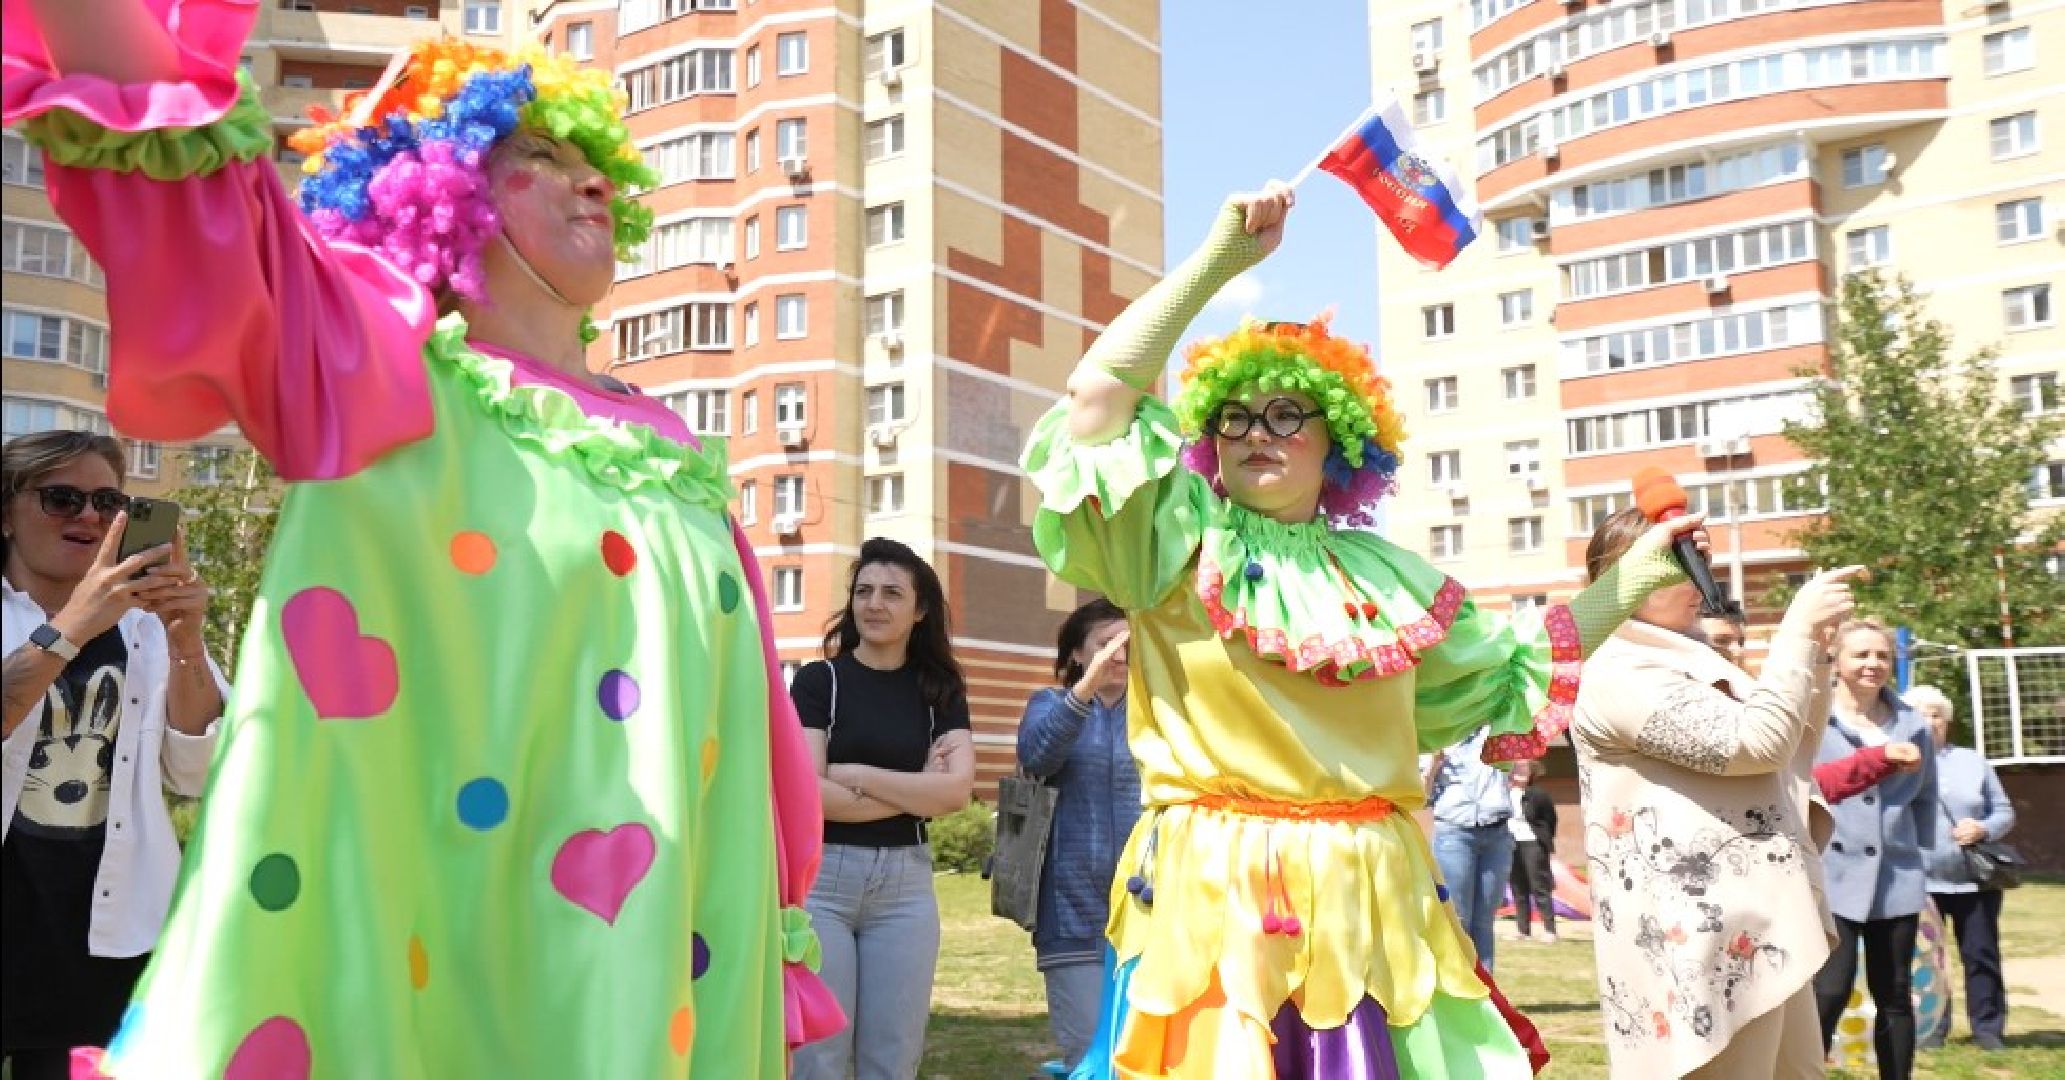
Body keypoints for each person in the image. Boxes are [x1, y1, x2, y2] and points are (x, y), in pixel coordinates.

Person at [2, 11, 839, 1074]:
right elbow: (193, 186)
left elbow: (749, 734)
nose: (589, 184)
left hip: (647, 959)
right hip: (426, 952)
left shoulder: (671, 447)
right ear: (438, 191)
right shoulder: (372, 369)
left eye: (598, 167)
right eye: (537, 156)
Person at [1021, 184, 1704, 1077]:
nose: (1255, 434)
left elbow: (1515, 667)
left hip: (1368, 890)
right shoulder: (1177, 541)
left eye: (1285, 415)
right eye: (1234, 416)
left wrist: (1638, 577)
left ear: (1337, 438)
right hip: (1215, 890)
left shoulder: (1392, 581)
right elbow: (1096, 398)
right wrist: (1220, 261)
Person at [1571, 506, 1862, 1079]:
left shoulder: (1682, 657)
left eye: (1700, 559)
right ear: (1625, 574)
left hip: (1757, 921)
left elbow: (1790, 743)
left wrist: (1814, 654)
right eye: (1679, 562)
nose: (1700, 575)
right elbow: (1753, 745)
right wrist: (1794, 629)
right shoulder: (1619, 669)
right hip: (1704, 939)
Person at [1, 433, 224, 1080]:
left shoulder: (145, 626)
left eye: (108, 500)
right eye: (62, 497)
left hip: (100, 937)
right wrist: (72, 627)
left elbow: (198, 773)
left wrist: (186, 642)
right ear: (5, 513)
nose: (91, 517)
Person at [790, 538, 975, 1080]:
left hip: (906, 891)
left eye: (892, 593)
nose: (874, 604)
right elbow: (807, 795)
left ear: (919, 611)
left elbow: (955, 793)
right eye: (864, 591)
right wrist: (916, 790)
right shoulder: (818, 681)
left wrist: (860, 779)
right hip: (824, 882)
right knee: (819, 1055)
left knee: (891, 1058)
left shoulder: (939, 689)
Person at [1016, 598, 1139, 1071]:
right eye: (1106, 644)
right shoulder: (1049, 704)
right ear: (1076, 655)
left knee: (1143, 1057)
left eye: (1128, 645)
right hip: (1070, 915)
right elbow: (1037, 759)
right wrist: (1084, 692)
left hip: (1146, 910)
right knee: (1089, 1056)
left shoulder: (1154, 712)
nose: (1119, 656)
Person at [1813, 620, 1938, 1080]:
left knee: (1896, 993)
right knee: (1829, 988)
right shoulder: (1813, 717)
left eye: (1882, 656)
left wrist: (1919, 859)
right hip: (1831, 872)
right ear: (1838, 661)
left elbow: (1925, 795)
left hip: (1896, 877)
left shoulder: (1912, 723)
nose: (1872, 664)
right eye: (1861, 655)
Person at [1910, 684, 2014, 1051]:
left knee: (1981, 955)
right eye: (1921, 713)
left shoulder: (1972, 761)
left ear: (1947, 721)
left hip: (1974, 881)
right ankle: (1932, 1029)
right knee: (1927, 961)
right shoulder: (1897, 763)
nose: (1930, 721)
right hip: (1919, 881)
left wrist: (1982, 827)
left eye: (1936, 714)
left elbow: (2004, 811)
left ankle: (1988, 1029)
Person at [1425, 730, 1518, 969]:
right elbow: (1421, 794)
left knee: (1484, 921)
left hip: (1496, 832)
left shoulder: (1497, 728)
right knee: (1457, 919)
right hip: (1455, 833)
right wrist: (1434, 763)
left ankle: (1487, 993)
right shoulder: (1437, 734)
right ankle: (1459, 992)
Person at [1505, 760, 1558, 944]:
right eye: (1515, 768)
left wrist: (1543, 838)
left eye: (1523, 768)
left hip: (1532, 842)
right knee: (1518, 887)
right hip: (1511, 843)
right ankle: (1523, 930)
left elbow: (1550, 819)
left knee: (1539, 886)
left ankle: (1549, 929)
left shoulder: (1538, 794)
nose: (1518, 770)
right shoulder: (1504, 793)